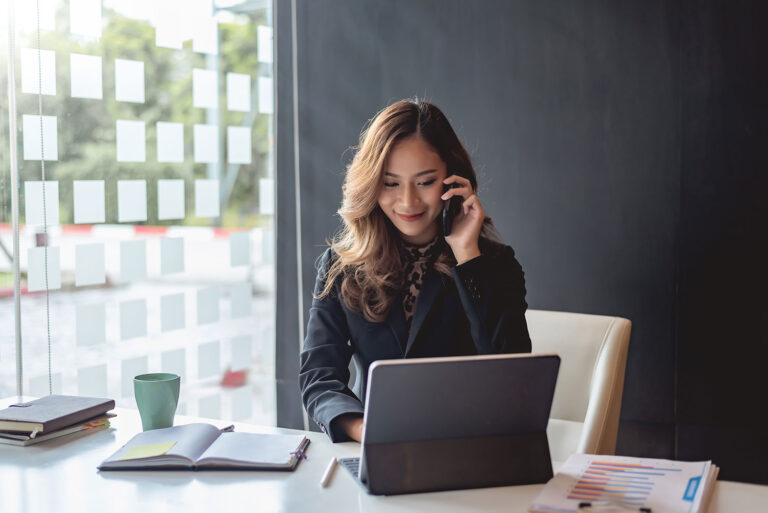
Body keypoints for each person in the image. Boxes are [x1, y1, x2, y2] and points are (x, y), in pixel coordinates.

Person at [299, 99, 531, 443]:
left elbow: (511, 374)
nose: (408, 202)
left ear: (452, 182)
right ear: (371, 183)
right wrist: (366, 429)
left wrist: (467, 255)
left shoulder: (493, 265)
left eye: (424, 182)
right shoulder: (341, 266)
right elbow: (319, 375)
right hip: (374, 448)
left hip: (467, 450)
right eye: (391, 183)